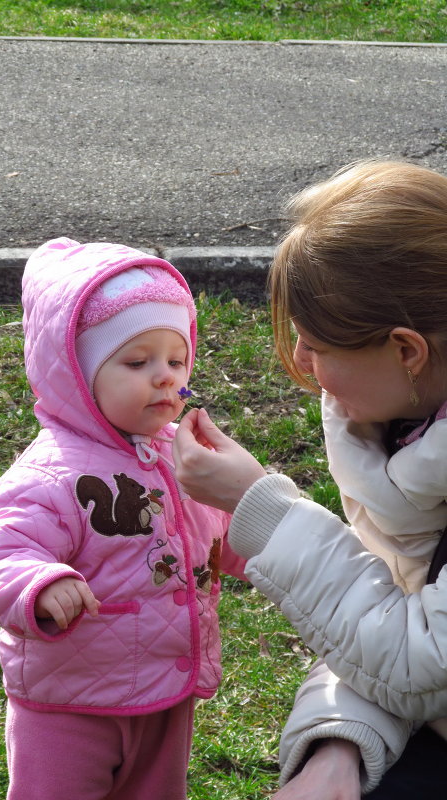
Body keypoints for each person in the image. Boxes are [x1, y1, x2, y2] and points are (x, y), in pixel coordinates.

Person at [172, 160, 447, 798]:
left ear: (407, 351)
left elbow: (418, 657)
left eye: (316, 345)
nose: (300, 362)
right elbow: (392, 611)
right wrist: (338, 745)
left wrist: (260, 509)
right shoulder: (411, 434)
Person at [0, 238, 247, 800]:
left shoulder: (183, 456)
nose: (165, 377)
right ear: (78, 373)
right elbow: (1, 550)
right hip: (69, 700)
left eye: (176, 360)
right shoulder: (53, 472)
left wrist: (276, 546)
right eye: (137, 362)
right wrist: (38, 583)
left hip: (165, 689)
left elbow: (222, 529)